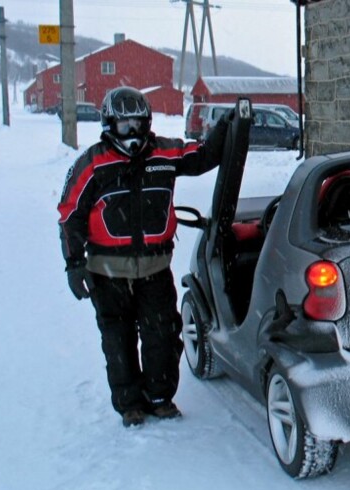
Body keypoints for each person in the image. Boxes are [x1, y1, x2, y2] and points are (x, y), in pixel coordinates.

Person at [57, 87, 232, 427]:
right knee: (118, 340)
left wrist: (227, 125)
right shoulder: (93, 164)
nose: (133, 134)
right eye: (125, 126)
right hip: (107, 272)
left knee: (162, 336)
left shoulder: (164, 153)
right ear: (109, 126)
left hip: (155, 268)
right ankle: (129, 404)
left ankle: (159, 397)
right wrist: (74, 263)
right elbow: (70, 214)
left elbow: (205, 156)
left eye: (138, 125)